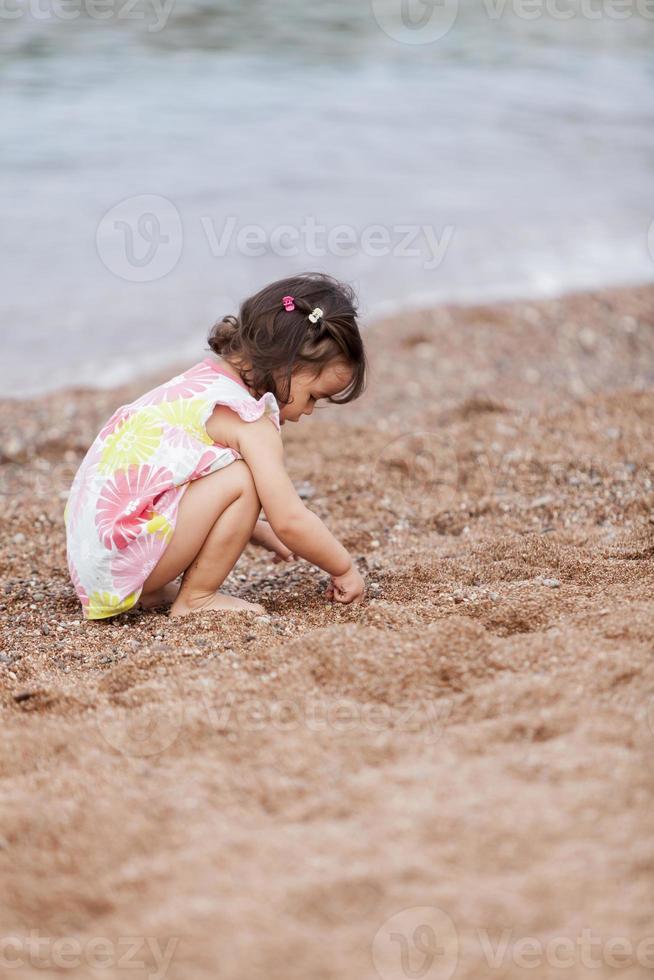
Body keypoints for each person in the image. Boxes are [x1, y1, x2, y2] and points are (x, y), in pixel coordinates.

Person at [64, 273, 368, 620]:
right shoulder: (250, 420)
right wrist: (343, 567)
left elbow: (179, 482)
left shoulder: (203, 382)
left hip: (96, 561)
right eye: (314, 396)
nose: (310, 410)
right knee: (244, 477)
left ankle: (150, 590)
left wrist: (256, 529)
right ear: (288, 362)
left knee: (226, 472)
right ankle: (197, 598)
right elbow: (290, 519)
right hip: (120, 563)